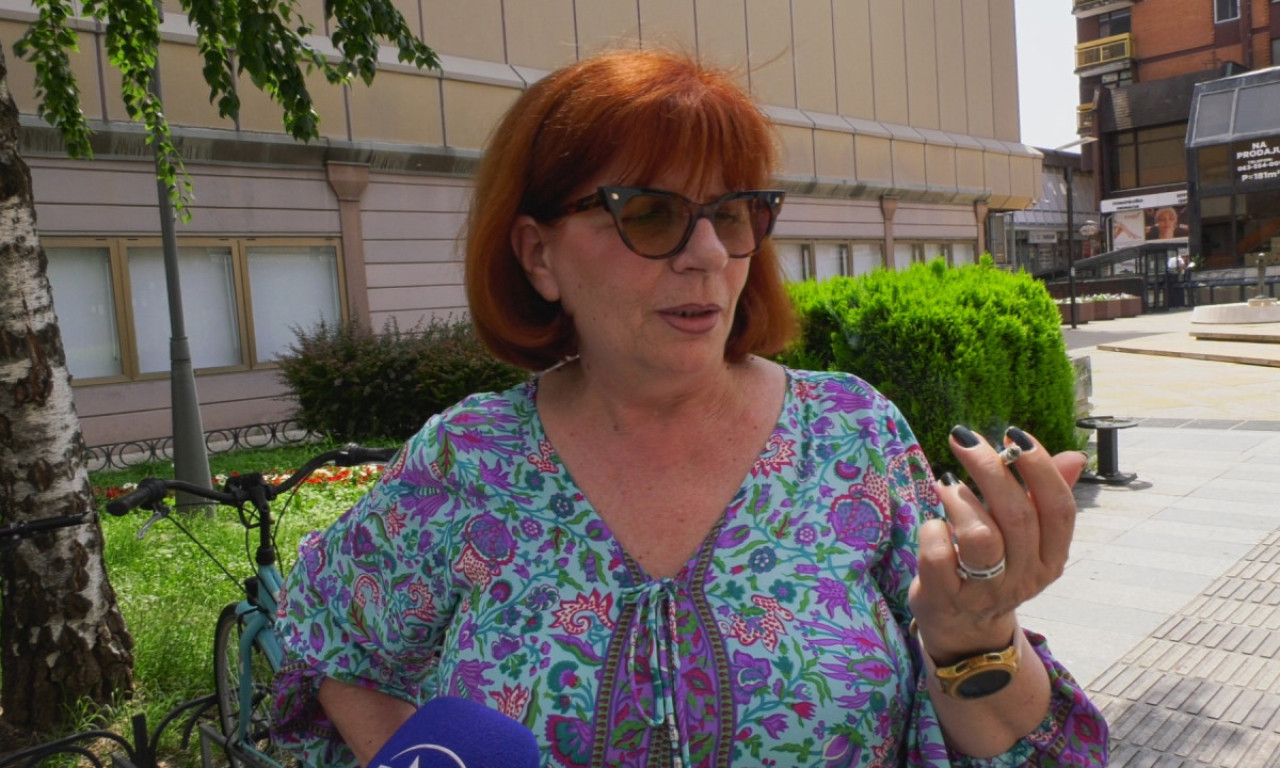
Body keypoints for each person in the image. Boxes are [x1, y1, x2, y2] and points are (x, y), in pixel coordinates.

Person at [270, 49, 1108, 768]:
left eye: (732, 213)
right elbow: (332, 647)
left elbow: (1000, 735)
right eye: (650, 213)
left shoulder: (851, 434)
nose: (708, 253)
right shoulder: (467, 461)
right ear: (538, 255)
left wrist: (977, 639)